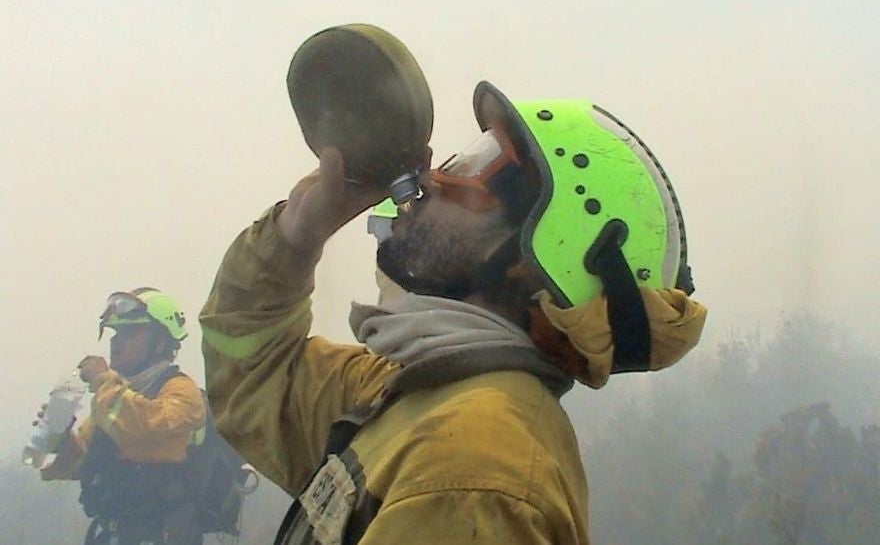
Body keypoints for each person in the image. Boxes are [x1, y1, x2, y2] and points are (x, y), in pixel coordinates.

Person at [200, 81, 708, 544]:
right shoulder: (413, 394)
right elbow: (254, 373)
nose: (433, 178)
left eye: (475, 168)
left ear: (527, 263)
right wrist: (294, 236)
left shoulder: (473, 468)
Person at [39, 287, 206, 545]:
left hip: (164, 534)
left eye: (130, 333)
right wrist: (62, 438)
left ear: (160, 341)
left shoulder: (181, 391)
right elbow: (87, 461)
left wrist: (104, 381)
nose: (116, 341)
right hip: (114, 534)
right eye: (116, 333)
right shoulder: (115, 396)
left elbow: (148, 426)